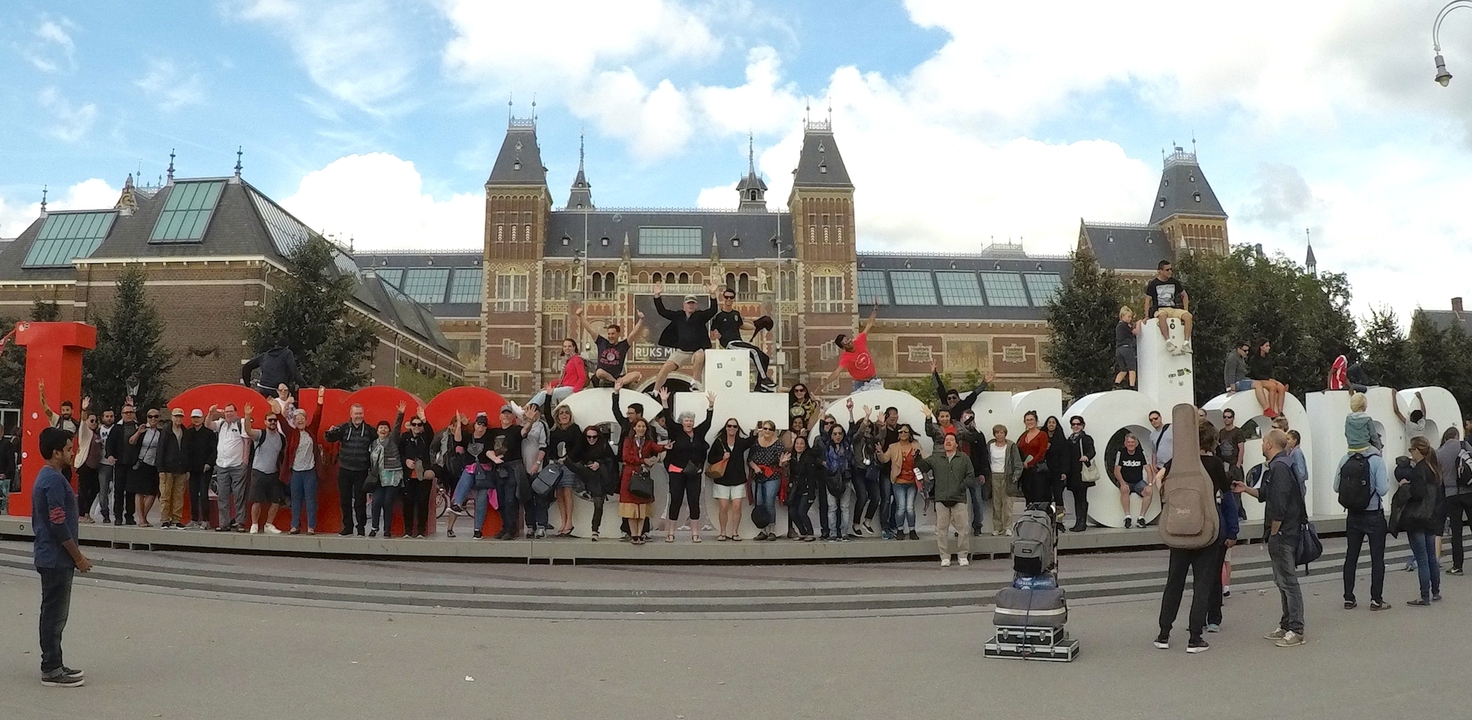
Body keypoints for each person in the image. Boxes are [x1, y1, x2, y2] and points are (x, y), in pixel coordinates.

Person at [1155, 422, 1238, 653]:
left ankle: (1163, 634)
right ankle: (1194, 637)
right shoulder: (1214, 464)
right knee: (1202, 584)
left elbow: (1158, 481)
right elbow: (1225, 491)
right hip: (1205, 531)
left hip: (1179, 529)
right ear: (1212, 441)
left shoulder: (1176, 463)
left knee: (1174, 583)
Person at [32, 426, 92, 688]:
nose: (72, 452)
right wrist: (77, 557)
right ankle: (52, 668)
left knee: (53, 612)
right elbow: (58, 522)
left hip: (51, 556)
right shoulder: (53, 480)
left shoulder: (49, 477)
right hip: (56, 558)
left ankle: (55, 661)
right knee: (55, 615)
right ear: (56, 452)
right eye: (68, 449)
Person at [1234, 429, 1305, 647]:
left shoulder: (1280, 467)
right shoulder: (1279, 465)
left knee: (1288, 581)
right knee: (1282, 580)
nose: (1261, 445)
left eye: (1263, 441)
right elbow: (1266, 494)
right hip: (1284, 531)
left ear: (1269, 444)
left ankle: (1296, 628)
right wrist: (1246, 489)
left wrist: (1274, 531)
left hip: (1283, 532)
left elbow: (1279, 504)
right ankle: (1286, 624)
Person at [1336, 446, 1391, 610]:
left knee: (1351, 556)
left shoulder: (1345, 459)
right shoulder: (1377, 461)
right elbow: (1382, 490)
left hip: (1353, 515)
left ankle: (1348, 598)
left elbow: (1336, 487)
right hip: (1373, 514)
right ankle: (1375, 600)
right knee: (1377, 558)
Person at [659, 390, 714, 543]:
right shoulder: (676, 432)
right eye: (686, 420)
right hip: (676, 471)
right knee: (675, 500)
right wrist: (664, 401)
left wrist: (710, 406)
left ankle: (695, 533)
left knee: (694, 501)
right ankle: (671, 532)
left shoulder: (698, 433)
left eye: (691, 420)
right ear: (682, 421)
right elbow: (668, 420)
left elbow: (708, 423)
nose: (689, 422)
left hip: (693, 473)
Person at [1398, 436, 1445, 606]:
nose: (1410, 453)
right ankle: (1436, 591)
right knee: (1432, 557)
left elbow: (1417, 494)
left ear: (1418, 450)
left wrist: (1405, 485)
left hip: (1417, 518)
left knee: (1422, 558)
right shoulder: (1434, 469)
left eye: (1411, 450)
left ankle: (1424, 595)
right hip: (1431, 517)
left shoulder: (1419, 469)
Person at [652, 281, 718, 393]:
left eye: (693, 303)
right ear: (684, 305)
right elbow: (662, 312)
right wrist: (657, 296)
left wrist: (712, 295)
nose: (691, 305)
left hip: (696, 351)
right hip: (681, 352)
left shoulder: (700, 316)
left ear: (696, 305)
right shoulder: (678, 316)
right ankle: (654, 391)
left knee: (700, 355)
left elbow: (713, 310)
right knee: (665, 368)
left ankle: (695, 383)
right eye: (689, 303)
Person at [922, 432, 976, 567]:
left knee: (963, 529)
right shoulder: (936, 458)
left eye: (951, 440)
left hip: (959, 498)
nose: (948, 442)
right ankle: (944, 556)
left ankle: (962, 555)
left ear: (956, 444)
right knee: (941, 530)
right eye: (946, 440)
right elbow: (923, 466)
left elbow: (970, 476)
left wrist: (960, 488)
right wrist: (917, 458)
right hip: (941, 499)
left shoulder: (964, 458)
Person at [711, 288, 777, 391]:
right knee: (754, 351)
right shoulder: (718, 316)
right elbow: (713, 330)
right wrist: (716, 334)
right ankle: (764, 378)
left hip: (739, 342)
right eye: (726, 297)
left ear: (733, 299)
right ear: (723, 298)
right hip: (730, 344)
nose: (729, 299)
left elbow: (742, 325)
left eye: (731, 297)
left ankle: (759, 385)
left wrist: (755, 325)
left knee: (765, 357)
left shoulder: (736, 314)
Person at [324, 403, 375, 537]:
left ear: (363, 414)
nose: (358, 416)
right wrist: (329, 433)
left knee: (360, 501)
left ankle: (361, 528)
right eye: (356, 413)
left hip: (362, 470)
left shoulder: (369, 430)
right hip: (345, 469)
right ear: (351, 414)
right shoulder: (343, 428)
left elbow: (379, 442)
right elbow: (330, 438)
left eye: (360, 413)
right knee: (345, 500)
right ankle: (348, 527)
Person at [280, 392, 325, 535]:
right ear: (294, 421)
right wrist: (276, 409)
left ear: (306, 420)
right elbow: (281, 420)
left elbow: (317, 416)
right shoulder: (291, 433)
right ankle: (295, 525)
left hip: (310, 471)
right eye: (297, 419)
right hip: (296, 473)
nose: (300, 421)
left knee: (311, 500)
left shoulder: (311, 431)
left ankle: (311, 526)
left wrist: (320, 399)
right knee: (296, 499)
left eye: (302, 418)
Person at [617, 415, 662, 545]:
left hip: (643, 476)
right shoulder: (628, 441)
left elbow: (657, 448)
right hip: (629, 475)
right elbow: (626, 457)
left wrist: (666, 447)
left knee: (642, 506)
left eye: (643, 426)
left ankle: (640, 533)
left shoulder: (648, 442)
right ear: (634, 428)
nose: (641, 428)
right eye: (639, 426)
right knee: (631, 507)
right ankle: (634, 535)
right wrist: (643, 460)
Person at [576, 306, 646, 390]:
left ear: (618, 334)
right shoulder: (601, 342)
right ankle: (616, 382)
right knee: (599, 372)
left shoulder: (623, 345)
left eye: (613, 334)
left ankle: (618, 382)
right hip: (603, 377)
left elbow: (633, 334)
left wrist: (641, 320)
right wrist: (580, 316)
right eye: (609, 334)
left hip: (618, 376)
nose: (610, 336)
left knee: (637, 374)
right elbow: (590, 329)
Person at [244, 403, 287, 534]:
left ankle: (268, 525)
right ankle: (255, 524)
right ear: (265, 422)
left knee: (276, 501)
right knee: (257, 501)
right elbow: (248, 431)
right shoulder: (260, 434)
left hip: (273, 473)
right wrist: (247, 416)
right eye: (270, 420)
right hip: (258, 472)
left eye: (275, 420)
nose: (273, 422)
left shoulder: (281, 438)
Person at [708, 418, 755, 541]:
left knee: (737, 506)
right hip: (722, 479)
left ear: (738, 429)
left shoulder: (740, 442)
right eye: (729, 426)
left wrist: (754, 433)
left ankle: (735, 532)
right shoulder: (719, 442)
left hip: (738, 479)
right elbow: (710, 459)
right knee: (723, 507)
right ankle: (723, 532)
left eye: (734, 426)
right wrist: (721, 457)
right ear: (726, 427)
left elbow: (751, 441)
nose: (732, 428)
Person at [570, 423, 617, 540]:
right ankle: (594, 530)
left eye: (594, 437)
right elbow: (573, 458)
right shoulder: (582, 446)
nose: (591, 439)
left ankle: (595, 530)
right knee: (598, 502)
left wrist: (599, 464)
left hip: (599, 479)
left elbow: (612, 460)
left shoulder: (604, 446)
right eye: (589, 437)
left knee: (598, 503)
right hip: (587, 477)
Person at [367, 404, 408, 538]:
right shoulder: (373, 443)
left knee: (388, 503)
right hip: (378, 478)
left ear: (389, 431)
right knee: (376, 502)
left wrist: (400, 414)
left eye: (385, 428)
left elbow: (397, 428)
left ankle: (387, 530)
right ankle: (374, 527)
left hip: (392, 477)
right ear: (377, 430)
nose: (383, 429)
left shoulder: (392, 441)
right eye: (381, 427)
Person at [822, 302, 882, 393]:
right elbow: (837, 372)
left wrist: (875, 308)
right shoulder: (846, 358)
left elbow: (869, 324)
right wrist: (824, 385)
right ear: (843, 347)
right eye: (846, 342)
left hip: (873, 379)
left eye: (848, 339)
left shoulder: (859, 341)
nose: (849, 342)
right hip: (860, 383)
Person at [1437, 427, 1472, 576]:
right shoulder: (1464, 446)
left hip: (1451, 494)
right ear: (1456, 435)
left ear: (1445, 438)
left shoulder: (1439, 452)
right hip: (1468, 491)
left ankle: (1457, 566)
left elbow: (1439, 476)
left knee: (1456, 532)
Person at [746, 419, 789, 541]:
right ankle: (762, 530)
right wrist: (755, 468)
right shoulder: (756, 442)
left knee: (769, 501)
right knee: (759, 502)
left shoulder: (778, 444)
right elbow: (749, 459)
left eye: (770, 429)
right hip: (758, 476)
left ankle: (772, 530)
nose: (767, 431)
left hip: (772, 476)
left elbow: (782, 464)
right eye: (765, 428)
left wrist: (782, 462)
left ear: (773, 431)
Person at [544, 404, 582, 537]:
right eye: (561, 413)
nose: (564, 415)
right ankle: (563, 521)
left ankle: (569, 522)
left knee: (567, 491)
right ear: (558, 416)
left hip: (569, 464)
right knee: (559, 493)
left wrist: (567, 458)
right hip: (556, 465)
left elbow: (578, 446)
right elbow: (547, 414)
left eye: (566, 413)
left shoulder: (575, 429)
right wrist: (549, 396)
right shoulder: (554, 431)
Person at [880, 423, 924, 540]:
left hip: (912, 482)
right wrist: (879, 452)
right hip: (898, 481)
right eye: (901, 432)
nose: (903, 434)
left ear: (909, 433)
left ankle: (912, 530)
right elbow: (884, 459)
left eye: (905, 431)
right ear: (898, 435)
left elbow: (925, 458)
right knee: (901, 507)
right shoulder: (893, 447)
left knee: (910, 507)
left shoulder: (915, 445)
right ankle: (900, 529)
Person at [491, 405, 526, 540]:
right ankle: (505, 527)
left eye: (508, 414)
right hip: (499, 469)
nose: (506, 416)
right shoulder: (494, 432)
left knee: (511, 499)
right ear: (499, 416)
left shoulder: (516, 430)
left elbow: (524, 432)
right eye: (504, 414)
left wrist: (530, 421)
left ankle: (511, 529)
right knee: (501, 500)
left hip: (513, 468)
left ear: (513, 417)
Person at [1143, 260, 1192, 354]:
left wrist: (1185, 310)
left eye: (1170, 269)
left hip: (1172, 308)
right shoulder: (1153, 284)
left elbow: (1184, 295)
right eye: (1167, 270)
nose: (1170, 271)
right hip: (1160, 308)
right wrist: (1146, 316)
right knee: (1162, 316)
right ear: (1160, 271)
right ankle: (1168, 341)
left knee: (1188, 316)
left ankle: (1186, 343)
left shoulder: (1174, 282)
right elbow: (1147, 300)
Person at [155, 408, 193, 529]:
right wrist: (160, 469)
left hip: (181, 468)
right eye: (176, 416)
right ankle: (165, 519)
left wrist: (187, 469)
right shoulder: (166, 432)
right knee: (165, 495)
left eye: (180, 417)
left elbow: (187, 452)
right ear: (172, 417)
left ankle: (176, 519)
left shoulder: (185, 432)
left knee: (179, 495)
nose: (178, 419)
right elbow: (160, 451)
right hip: (167, 468)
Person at [126, 408, 164, 527]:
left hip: (154, 465)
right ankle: (141, 519)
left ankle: (144, 516)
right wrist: (138, 432)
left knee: (152, 493)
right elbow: (131, 442)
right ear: (147, 418)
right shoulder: (142, 430)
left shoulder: (161, 432)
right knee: (140, 492)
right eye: (150, 416)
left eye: (156, 416)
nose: (153, 419)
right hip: (142, 463)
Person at [518, 403, 550, 538]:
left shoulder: (541, 425)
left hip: (537, 467)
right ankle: (530, 525)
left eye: (532, 411)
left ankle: (541, 525)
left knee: (540, 497)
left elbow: (544, 446)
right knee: (527, 498)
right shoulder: (521, 425)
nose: (529, 413)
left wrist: (537, 463)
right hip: (523, 466)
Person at [528, 339, 588, 409]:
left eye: (569, 346)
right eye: (565, 346)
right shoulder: (569, 361)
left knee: (544, 394)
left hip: (571, 388)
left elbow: (582, 376)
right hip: (566, 387)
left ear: (574, 347)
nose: (567, 348)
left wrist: (575, 391)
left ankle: (529, 409)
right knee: (541, 392)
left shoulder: (577, 359)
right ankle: (526, 407)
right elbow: (561, 380)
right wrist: (549, 385)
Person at [985, 424, 1023, 535]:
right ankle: (997, 527)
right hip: (994, 476)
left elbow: (1018, 462)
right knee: (996, 504)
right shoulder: (990, 445)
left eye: (1001, 432)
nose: (999, 435)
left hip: (1008, 476)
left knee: (1008, 504)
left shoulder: (1011, 446)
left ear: (1005, 433)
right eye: (997, 432)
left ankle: (1008, 527)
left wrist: (1016, 475)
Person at [107, 403, 140, 525]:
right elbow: (109, 444)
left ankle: (130, 516)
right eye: (126, 413)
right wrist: (110, 455)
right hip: (120, 463)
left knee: (131, 491)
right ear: (122, 414)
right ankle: (118, 516)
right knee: (119, 491)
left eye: (131, 412)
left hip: (133, 464)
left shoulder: (138, 427)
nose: (129, 414)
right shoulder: (117, 428)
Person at [822, 423, 856, 543]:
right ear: (831, 435)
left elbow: (852, 430)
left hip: (846, 479)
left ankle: (844, 533)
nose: (837, 436)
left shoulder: (846, 444)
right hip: (832, 480)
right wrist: (821, 414)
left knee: (844, 507)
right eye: (835, 433)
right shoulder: (827, 445)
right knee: (832, 508)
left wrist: (851, 412)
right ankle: (833, 534)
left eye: (840, 433)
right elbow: (822, 432)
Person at [1114, 433, 1154, 529]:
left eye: (1132, 442)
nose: (1130, 444)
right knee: (1124, 490)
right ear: (1125, 443)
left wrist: (1149, 484)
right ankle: (1127, 517)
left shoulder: (1141, 453)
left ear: (1136, 443)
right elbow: (1116, 470)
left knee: (1148, 492)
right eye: (1128, 442)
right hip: (1126, 481)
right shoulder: (1121, 453)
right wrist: (1122, 483)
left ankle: (1141, 518)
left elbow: (1148, 470)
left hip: (1138, 481)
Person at [1224, 341, 1275, 417]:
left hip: (1241, 380)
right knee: (1258, 384)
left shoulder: (1240, 357)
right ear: (1238, 349)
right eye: (1245, 351)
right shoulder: (1233, 358)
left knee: (1258, 383)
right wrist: (1232, 389)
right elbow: (1231, 374)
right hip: (1236, 383)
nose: (1247, 352)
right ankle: (1266, 408)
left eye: (1248, 350)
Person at [184, 409, 215, 529]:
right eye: (194, 418)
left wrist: (209, 463)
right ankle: (194, 518)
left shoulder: (209, 433)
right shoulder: (188, 433)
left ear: (202, 418)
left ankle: (206, 520)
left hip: (205, 469)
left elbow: (214, 451)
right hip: (192, 469)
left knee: (203, 493)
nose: (196, 420)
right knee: (192, 494)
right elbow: (186, 451)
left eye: (198, 417)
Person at [240, 343, 306, 398]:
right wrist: (304, 386)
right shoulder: (287, 353)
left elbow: (246, 367)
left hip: (262, 389)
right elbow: (294, 371)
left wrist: (248, 385)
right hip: (278, 391)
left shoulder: (265, 355)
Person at [1066, 416, 1097, 533]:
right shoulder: (1070, 439)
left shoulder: (1086, 438)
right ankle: (1078, 521)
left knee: (1082, 498)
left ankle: (1082, 522)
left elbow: (1092, 451)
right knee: (1076, 498)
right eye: (1073, 424)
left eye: (1078, 424)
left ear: (1082, 425)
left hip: (1082, 472)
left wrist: (1086, 456)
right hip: (1073, 474)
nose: (1075, 426)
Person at [73, 402, 101, 525]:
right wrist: (84, 409)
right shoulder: (85, 432)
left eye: (95, 421)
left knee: (95, 488)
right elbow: (83, 421)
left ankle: (86, 512)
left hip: (94, 466)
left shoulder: (96, 434)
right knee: (84, 490)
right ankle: (80, 514)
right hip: (85, 465)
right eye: (92, 420)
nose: (94, 423)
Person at [1016, 410, 1050, 505]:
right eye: (1027, 420)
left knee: (1038, 496)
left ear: (1036, 421)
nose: (1029, 422)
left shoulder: (1042, 435)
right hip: (1025, 472)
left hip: (1038, 471)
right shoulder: (1023, 436)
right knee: (1027, 494)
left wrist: (1030, 463)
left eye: (1031, 419)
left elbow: (1041, 453)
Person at [1247, 339, 1288, 418]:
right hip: (1259, 379)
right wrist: (1269, 379)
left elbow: (1270, 371)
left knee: (1281, 387)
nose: (1269, 348)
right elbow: (1255, 374)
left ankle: (1280, 411)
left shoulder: (1268, 358)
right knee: (1272, 387)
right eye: (1266, 346)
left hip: (1268, 378)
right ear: (1261, 347)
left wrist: (1272, 379)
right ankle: (1271, 409)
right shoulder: (1254, 359)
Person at [1043, 416, 1071, 526]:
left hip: (1057, 472)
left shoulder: (1061, 438)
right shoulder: (1042, 437)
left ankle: (1059, 521)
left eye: (1053, 422)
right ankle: (1047, 520)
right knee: (1045, 497)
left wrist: (1064, 471)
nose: (1051, 424)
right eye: (1049, 422)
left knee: (1058, 497)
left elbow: (1065, 456)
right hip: (1044, 472)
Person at [92, 408, 117, 524]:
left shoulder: (117, 429)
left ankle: (117, 513)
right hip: (102, 463)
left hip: (117, 463)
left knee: (118, 490)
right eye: (107, 416)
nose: (109, 418)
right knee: (103, 490)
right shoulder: (97, 431)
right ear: (102, 418)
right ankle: (105, 512)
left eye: (111, 416)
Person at [1114, 306, 1139, 389]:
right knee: (1132, 368)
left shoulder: (1118, 326)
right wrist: (1139, 324)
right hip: (1126, 348)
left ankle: (1116, 384)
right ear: (1122, 316)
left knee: (1123, 370)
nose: (1130, 319)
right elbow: (1136, 332)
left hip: (1118, 350)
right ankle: (1132, 386)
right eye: (1128, 316)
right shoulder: (1124, 325)